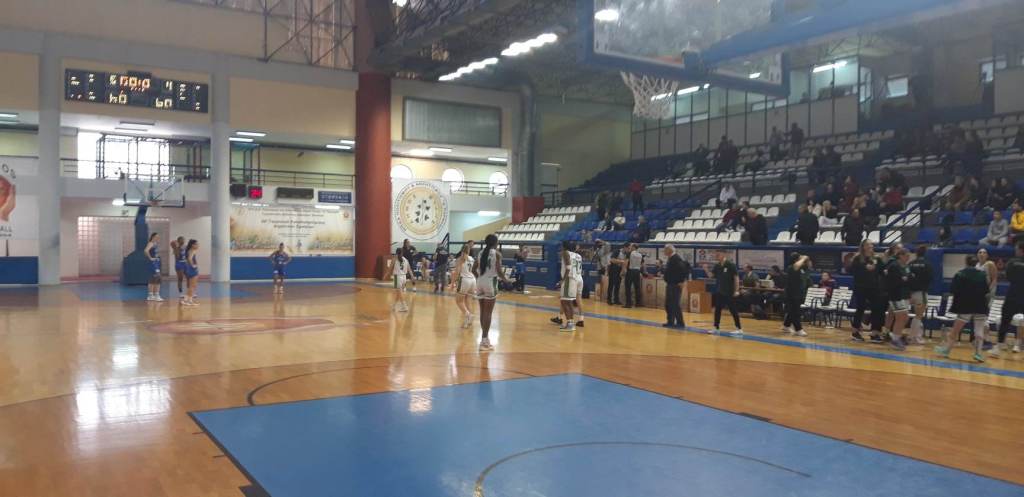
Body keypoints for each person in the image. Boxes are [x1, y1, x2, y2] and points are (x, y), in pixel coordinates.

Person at [934, 255, 990, 363]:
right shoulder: (982, 275)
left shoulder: (960, 274)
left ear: (966, 262)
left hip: (965, 306)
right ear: (976, 263)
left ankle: (946, 350)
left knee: (955, 330)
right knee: (979, 331)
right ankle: (978, 354)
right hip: (980, 306)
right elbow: (986, 291)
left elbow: (953, 290)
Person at [473, 234, 510, 351]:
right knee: (488, 313)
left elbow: (473, 269)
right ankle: (484, 341)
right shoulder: (497, 254)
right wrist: (506, 280)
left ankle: (485, 339)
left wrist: (479, 278)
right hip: (490, 282)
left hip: (480, 282)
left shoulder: (480, 253)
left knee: (482, 311)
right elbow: (499, 271)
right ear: (495, 243)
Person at [992, 242, 1024, 356]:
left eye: (1016, 249)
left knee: (1005, 320)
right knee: (1022, 320)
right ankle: (1018, 345)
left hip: (1012, 294)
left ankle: (999, 346)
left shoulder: (1012, 262)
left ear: (1020, 250)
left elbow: (1008, 277)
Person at [849, 240, 886, 342]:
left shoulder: (877, 258)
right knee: (860, 308)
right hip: (861, 287)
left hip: (874, 287)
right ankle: (855, 332)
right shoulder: (857, 258)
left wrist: (885, 269)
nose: (870, 246)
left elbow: (882, 271)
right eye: (868, 244)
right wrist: (864, 268)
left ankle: (875, 333)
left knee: (877, 309)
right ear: (863, 247)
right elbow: (851, 271)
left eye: (871, 244)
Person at [706, 250, 743, 336]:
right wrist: (706, 269)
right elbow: (711, 276)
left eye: (718, 254)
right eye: (716, 255)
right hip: (720, 292)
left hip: (729, 292)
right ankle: (716, 328)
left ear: (723, 254)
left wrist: (736, 290)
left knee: (733, 310)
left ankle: (739, 328)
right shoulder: (717, 266)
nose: (716, 256)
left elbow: (736, 278)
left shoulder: (730, 265)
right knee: (717, 310)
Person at [882, 248, 912, 350]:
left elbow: (908, 278)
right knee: (901, 317)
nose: (908, 258)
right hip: (895, 295)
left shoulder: (905, 266)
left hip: (902, 295)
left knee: (905, 317)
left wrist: (905, 279)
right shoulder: (894, 266)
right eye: (906, 256)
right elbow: (894, 281)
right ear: (900, 256)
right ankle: (895, 339)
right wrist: (904, 279)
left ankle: (895, 336)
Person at [906, 245, 933, 345]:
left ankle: (914, 336)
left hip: (910, 293)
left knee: (911, 315)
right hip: (921, 293)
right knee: (918, 316)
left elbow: (907, 277)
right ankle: (913, 337)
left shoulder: (910, 264)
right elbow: (930, 278)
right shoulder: (927, 265)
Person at [782, 253, 811, 337]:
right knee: (795, 312)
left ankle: (786, 326)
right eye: (799, 258)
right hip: (791, 294)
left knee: (792, 311)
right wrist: (803, 258)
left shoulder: (802, 268)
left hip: (799, 293)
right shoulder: (791, 267)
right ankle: (798, 329)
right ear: (795, 260)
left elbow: (809, 265)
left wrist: (807, 259)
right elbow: (796, 266)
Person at [661, 245, 690, 328]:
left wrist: (682, 281)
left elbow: (685, 268)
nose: (664, 251)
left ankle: (680, 322)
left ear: (669, 250)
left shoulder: (676, 258)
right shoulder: (671, 259)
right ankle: (670, 321)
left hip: (675, 285)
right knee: (668, 304)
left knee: (674, 304)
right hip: (670, 284)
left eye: (665, 250)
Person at [558, 241, 584, 332]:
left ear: (564, 247)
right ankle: (571, 323)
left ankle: (570, 324)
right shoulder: (578, 255)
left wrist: (562, 280)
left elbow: (568, 268)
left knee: (564, 301)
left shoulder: (565, 253)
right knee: (569, 302)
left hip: (570, 279)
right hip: (579, 278)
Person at [450, 241, 476, 328]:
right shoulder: (472, 258)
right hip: (473, 280)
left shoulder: (460, 259)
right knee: (468, 301)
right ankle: (468, 320)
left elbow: (456, 273)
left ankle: (468, 315)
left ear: (461, 250)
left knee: (459, 301)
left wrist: (452, 284)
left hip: (465, 280)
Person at [386, 247, 413, 313]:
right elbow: (409, 269)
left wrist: (385, 276)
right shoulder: (405, 259)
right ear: (402, 253)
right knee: (399, 293)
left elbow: (389, 269)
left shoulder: (394, 259)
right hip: (404, 278)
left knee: (399, 293)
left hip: (397, 277)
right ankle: (394, 306)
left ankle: (404, 306)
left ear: (396, 253)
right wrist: (412, 276)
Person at [144, 233, 163, 302]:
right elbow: (146, 251)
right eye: (156, 237)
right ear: (153, 237)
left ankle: (152, 295)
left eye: (158, 237)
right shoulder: (151, 243)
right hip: (153, 263)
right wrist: (150, 258)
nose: (158, 238)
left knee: (155, 279)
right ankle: (155, 295)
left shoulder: (155, 244)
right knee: (157, 278)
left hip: (156, 262)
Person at [624, 243, 644, 308]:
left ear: (633, 247)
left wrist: (624, 270)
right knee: (637, 287)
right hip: (637, 271)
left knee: (628, 287)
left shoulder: (630, 253)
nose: (630, 248)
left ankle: (628, 303)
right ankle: (638, 303)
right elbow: (642, 264)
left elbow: (626, 262)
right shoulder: (640, 254)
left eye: (631, 247)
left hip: (630, 271)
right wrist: (639, 270)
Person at [182, 239, 200, 307]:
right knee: (192, 286)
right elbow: (189, 259)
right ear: (193, 245)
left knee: (191, 286)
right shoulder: (192, 250)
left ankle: (186, 300)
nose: (198, 245)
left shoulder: (189, 250)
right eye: (196, 244)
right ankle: (189, 301)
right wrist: (193, 266)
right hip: (192, 269)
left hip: (189, 269)